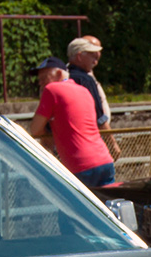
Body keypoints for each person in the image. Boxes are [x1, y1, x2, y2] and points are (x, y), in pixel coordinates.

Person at [24, 57, 116, 187]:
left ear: (59, 74)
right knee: (105, 200)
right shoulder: (83, 90)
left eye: (44, 78)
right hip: (104, 160)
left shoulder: (51, 90)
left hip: (80, 165)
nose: (40, 83)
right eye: (39, 79)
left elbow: (35, 129)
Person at [64, 35, 118, 159]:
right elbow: (98, 115)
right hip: (88, 142)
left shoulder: (62, 76)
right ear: (79, 56)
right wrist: (112, 143)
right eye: (92, 55)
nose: (95, 60)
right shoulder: (85, 80)